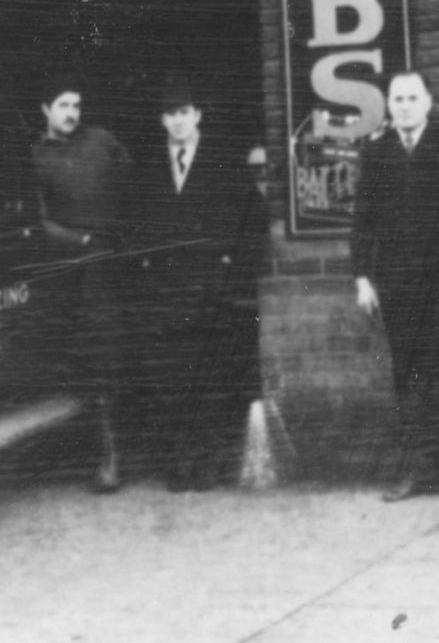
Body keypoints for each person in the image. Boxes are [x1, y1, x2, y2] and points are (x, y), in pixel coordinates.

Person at [351, 70, 439, 503]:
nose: (405, 106)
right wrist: (362, 278)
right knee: (408, 378)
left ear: (428, 102)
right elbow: (363, 221)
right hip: (398, 285)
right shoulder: (378, 153)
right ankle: (417, 469)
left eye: (413, 98)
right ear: (389, 105)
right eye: (398, 99)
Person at [133, 78, 267, 491]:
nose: (177, 121)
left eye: (184, 113)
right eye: (170, 114)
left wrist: (230, 269)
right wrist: (147, 269)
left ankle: (208, 461)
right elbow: (133, 225)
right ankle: (178, 462)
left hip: (211, 292)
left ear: (198, 116)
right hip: (167, 294)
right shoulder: (148, 167)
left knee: (209, 379)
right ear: (162, 120)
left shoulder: (223, 161)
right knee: (171, 382)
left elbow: (253, 220)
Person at [31, 74, 133, 492]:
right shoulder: (36, 157)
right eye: (63, 105)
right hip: (70, 273)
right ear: (45, 110)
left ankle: (130, 452)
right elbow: (39, 220)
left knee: (119, 355)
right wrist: (80, 242)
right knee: (89, 361)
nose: (72, 113)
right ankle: (104, 457)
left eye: (76, 105)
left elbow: (133, 185)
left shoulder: (102, 142)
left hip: (113, 265)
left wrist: (122, 237)